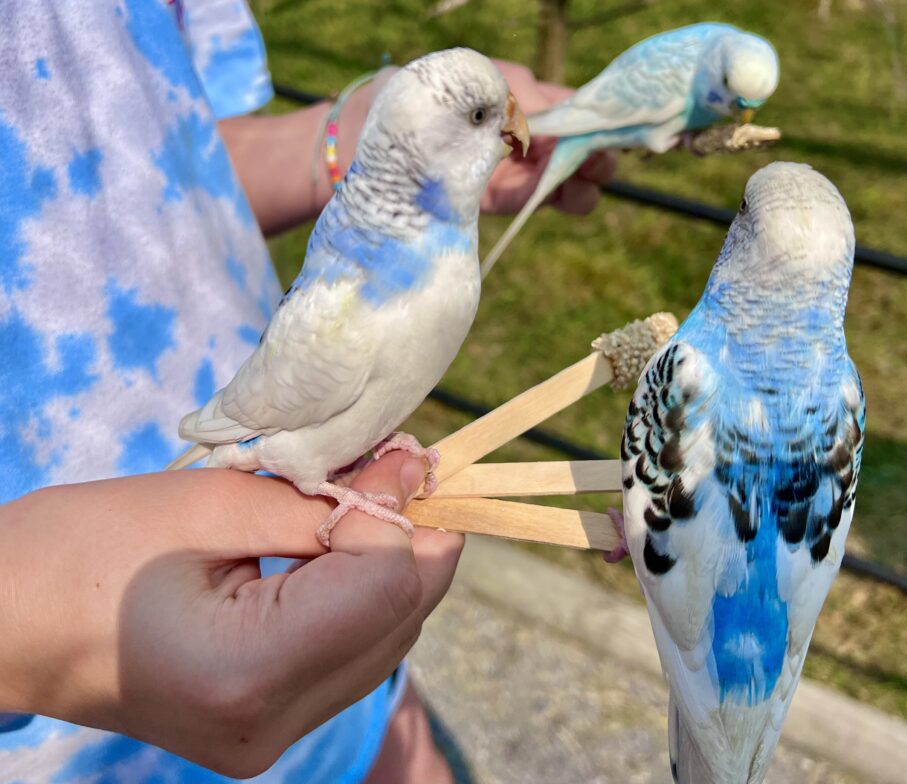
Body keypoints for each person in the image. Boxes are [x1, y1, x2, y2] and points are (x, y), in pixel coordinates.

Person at [0, 0, 616, 781]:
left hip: (357, 718)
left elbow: (182, 147)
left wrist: (333, 134)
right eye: (480, 115)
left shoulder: (434, 271)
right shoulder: (350, 318)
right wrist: (22, 621)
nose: (510, 124)